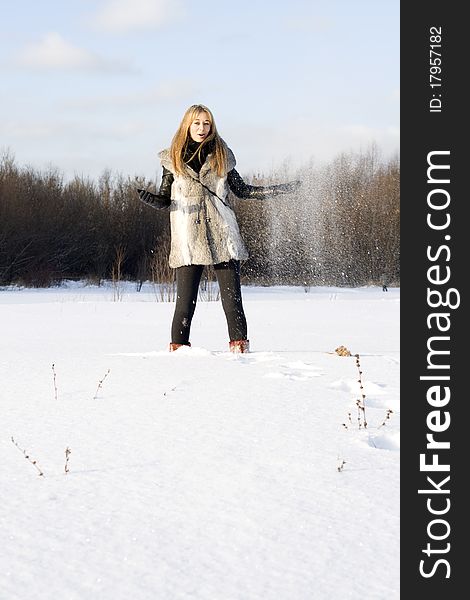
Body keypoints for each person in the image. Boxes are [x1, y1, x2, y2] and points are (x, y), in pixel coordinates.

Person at [138, 104, 300, 353]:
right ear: (187, 125)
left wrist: (278, 189)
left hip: (223, 235)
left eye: (207, 123)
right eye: (197, 123)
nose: (202, 128)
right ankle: (178, 351)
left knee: (232, 300)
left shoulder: (222, 155)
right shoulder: (172, 159)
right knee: (184, 302)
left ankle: (240, 349)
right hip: (188, 236)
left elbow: (243, 190)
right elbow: (164, 197)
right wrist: (153, 200)